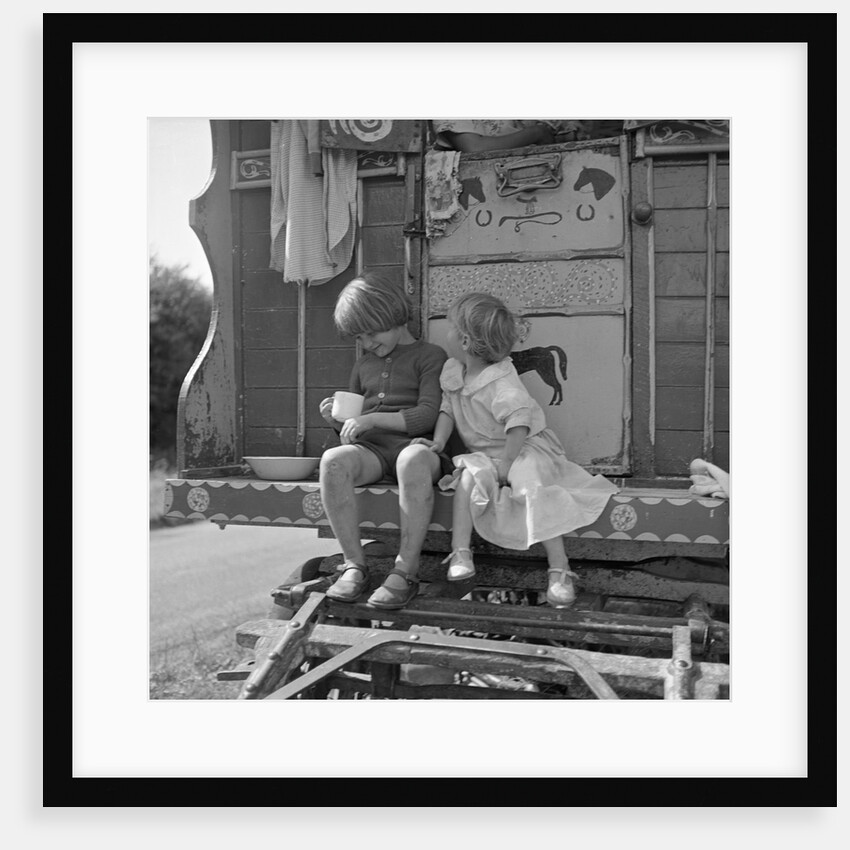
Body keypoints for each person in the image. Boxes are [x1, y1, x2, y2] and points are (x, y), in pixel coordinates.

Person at [412, 293, 618, 608]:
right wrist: (438, 442)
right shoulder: (453, 372)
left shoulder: (500, 381)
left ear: (465, 340)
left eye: (451, 327)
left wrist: (508, 464)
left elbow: (519, 422)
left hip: (522, 448)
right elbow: (447, 411)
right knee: (468, 478)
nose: (446, 332)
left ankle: (559, 567)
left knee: (532, 485)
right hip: (488, 453)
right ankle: (461, 552)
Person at [318, 271, 450, 610]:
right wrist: (338, 422)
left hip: (418, 449)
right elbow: (355, 423)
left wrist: (370, 419)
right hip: (374, 451)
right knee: (333, 460)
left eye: (372, 332)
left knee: (411, 459)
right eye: (359, 336)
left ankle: (405, 570)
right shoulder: (364, 365)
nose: (366, 342)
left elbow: (427, 415)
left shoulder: (430, 356)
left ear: (394, 316)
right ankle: (354, 565)